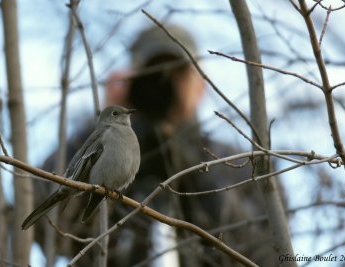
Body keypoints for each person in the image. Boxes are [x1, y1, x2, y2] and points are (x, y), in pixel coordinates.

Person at [34, 24, 277, 266]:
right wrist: (105, 126)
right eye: (153, 73)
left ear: (201, 86)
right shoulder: (103, 143)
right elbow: (44, 227)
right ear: (130, 81)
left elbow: (267, 253)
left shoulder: (237, 162)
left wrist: (193, 167)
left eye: (177, 72)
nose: (164, 81)